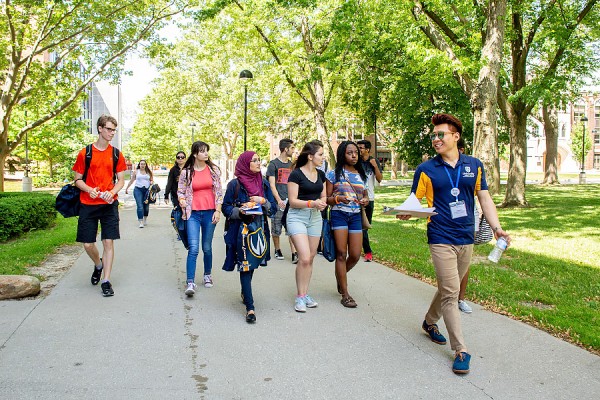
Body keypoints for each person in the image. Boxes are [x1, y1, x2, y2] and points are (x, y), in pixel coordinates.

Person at [397, 113, 511, 374]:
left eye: (441, 135)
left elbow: (485, 198)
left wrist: (497, 228)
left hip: (465, 236)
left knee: (448, 287)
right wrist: (406, 211)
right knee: (451, 292)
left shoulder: (474, 165)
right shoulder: (426, 169)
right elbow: (415, 201)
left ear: (456, 137)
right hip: (440, 236)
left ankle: (429, 322)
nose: (436, 139)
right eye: (433, 135)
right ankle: (461, 349)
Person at [72, 115, 127, 297]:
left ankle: (106, 280)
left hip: (109, 204)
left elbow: (120, 181)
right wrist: (89, 190)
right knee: (88, 244)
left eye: (114, 130)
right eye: (109, 129)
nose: (112, 133)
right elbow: (77, 180)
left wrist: (111, 192)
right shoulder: (85, 153)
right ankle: (98, 264)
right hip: (88, 204)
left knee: (108, 241)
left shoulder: (116, 154)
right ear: (100, 129)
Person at [222, 151, 276, 323]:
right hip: (240, 231)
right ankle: (250, 308)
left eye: (259, 160)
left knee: (251, 266)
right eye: (254, 160)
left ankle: (245, 292)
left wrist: (262, 201)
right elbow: (226, 208)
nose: (259, 163)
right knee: (245, 266)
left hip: (258, 230)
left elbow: (273, 209)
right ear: (245, 164)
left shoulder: (264, 184)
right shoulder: (234, 185)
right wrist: (240, 211)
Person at [325, 141, 369, 308]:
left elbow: (365, 195)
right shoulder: (333, 174)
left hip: (355, 216)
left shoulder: (361, 174)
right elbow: (327, 199)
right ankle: (345, 293)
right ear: (342, 154)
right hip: (339, 215)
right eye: (350, 152)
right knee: (342, 254)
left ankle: (340, 276)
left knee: (356, 254)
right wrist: (338, 199)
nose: (354, 155)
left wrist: (365, 201)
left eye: (356, 153)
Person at [286, 140, 327, 312]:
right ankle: (300, 297)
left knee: (310, 258)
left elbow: (324, 196)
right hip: (297, 217)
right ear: (310, 156)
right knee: (303, 257)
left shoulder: (321, 175)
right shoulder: (296, 175)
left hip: (316, 218)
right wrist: (312, 203)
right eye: (320, 154)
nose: (323, 157)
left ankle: (305, 293)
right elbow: (293, 201)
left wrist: (322, 203)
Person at [177, 141, 223, 296]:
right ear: (195, 154)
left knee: (207, 247)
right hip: (192, 214)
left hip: (210, 212)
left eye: (206, 151)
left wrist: (218, 210)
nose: (206, 154)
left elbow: (219, 192)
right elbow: (180, 191)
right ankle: (190, 282)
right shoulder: (186, 172)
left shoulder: (213, 170)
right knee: (194, 248)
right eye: (202, 151)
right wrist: (182, 200)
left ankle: (207, 275)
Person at [266, 138, 298, 263]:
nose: (293, 150)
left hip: (291, 201)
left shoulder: (292, 165)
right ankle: (277, 249)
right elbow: (272, 185)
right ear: (286, 149)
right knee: (276, 228)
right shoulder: (273, 164)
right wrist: (278, 200)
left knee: (292, 228)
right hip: (278, 202)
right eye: (292, 148)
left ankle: (294, 253)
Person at [357, 140, 383, 262]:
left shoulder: (374, 161)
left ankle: (366, 251)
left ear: (367, 149)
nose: (359, 150)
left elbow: (379, 179)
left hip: (370, 198)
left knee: (365, 226)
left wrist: (375, 166)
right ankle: (367, 251)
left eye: (361, 148)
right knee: (358, 226)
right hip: (356, 198)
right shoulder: (356, 161)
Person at [456, 138, 472, 314]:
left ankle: (460, 298)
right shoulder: (436, 168)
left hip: (468, 221)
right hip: (443, 227)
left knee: (464, 265)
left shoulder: (471, 167)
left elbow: (482, 193)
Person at [125, 160, 154, 228]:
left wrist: (152, 182)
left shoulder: (149, 172)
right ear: (139, 165)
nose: (143, 165)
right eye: (141, 164)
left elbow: (152, 180)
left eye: (144, 164)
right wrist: (127, 188)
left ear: (146, 165)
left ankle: (145, 219)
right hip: (138, 190)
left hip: (147, 190)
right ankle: (140, 222)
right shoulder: (136, 172)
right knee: (140, 206)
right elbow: (132, 180)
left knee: (146, 206)